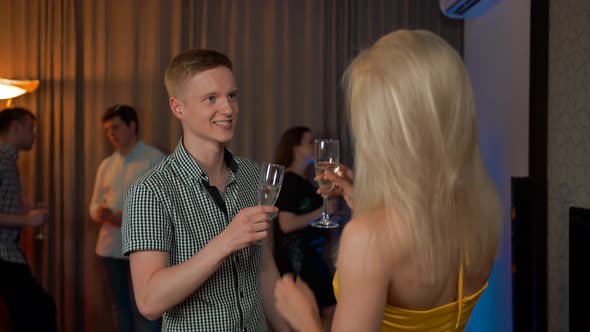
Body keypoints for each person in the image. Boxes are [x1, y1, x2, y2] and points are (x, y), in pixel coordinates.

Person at [274, 29, 502, 332]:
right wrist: (366, 204)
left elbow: (385, 245)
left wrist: (304, 318)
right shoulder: (484, 214)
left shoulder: (368, 239)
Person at [121, 49, 288, 331]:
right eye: (211, 98)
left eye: (231, 96)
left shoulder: (253, 175)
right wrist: (226, 242)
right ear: (178, 108)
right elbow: (149, 302)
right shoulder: (150, 191)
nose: (229, 109)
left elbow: (264, 268)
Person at [89, 104, 164, 332]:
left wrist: (129, 217)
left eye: (115, 127)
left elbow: (165, 205)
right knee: (119, 307)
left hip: (144, 248)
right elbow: (93, 204)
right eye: (108, 130)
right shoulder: (106, 164)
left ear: (132, 126)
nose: (111, 133)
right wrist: (99, 212)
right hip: (110, 247)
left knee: (148, 309)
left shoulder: (154, 159)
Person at [273, 126, 337, 331]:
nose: (315, 147)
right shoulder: (290, 180)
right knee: (313, 313)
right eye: (310, 142)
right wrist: (322, 212)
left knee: (327, 310)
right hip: (298, 259)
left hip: (312, 257)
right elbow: (286, 223)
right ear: (296, 147)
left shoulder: (304, 181)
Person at [0, 107, 57, 332]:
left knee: (30, 312)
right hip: (3, 252)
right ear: (15, 127)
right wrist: (27, 219)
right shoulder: (2, 159)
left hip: (9, 252)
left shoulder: (8, 159)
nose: (34, 134)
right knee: (41, 310)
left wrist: (23, 205)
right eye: (31, 128)